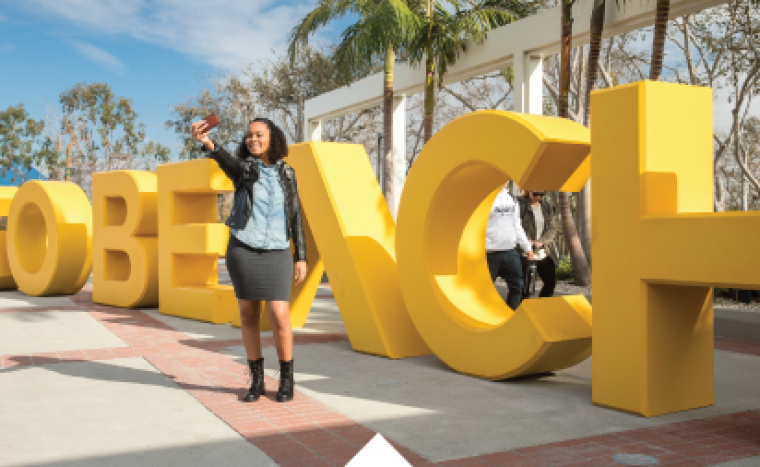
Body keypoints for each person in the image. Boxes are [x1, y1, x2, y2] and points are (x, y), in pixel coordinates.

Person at [191, 117, 307, 403]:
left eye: (259, 135)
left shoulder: (288, 174)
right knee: (248, 314)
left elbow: (295, 217)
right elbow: (226, 162)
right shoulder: (245, 169)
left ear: (272, 138)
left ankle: (286, 378)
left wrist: (300, 256)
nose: (252, 140)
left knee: (280, 316)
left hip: (278, 251)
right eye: (249, 136)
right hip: (243, 248)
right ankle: (256, 380)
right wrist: (207, 143)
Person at [486, 183, 533, 310]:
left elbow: (517, 225)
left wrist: (527, 247)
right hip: (488, 253)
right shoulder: (484, 198)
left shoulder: (512, 199)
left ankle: (510, 315)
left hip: (510, 252)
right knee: (484, 290)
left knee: (517, 286)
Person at [518, 191, 558, 299]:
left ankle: (540, 309)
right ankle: (521, 313)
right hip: (525, 252)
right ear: (528, 191)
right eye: (535, 194)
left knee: (550, 283)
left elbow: (552, 228)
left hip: (543, 252)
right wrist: (526, 241)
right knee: (525, 289)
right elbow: (514, 226)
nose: (538, 197)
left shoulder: (546, 206)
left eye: (542, 194)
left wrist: (541, 242)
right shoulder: (520, 205)